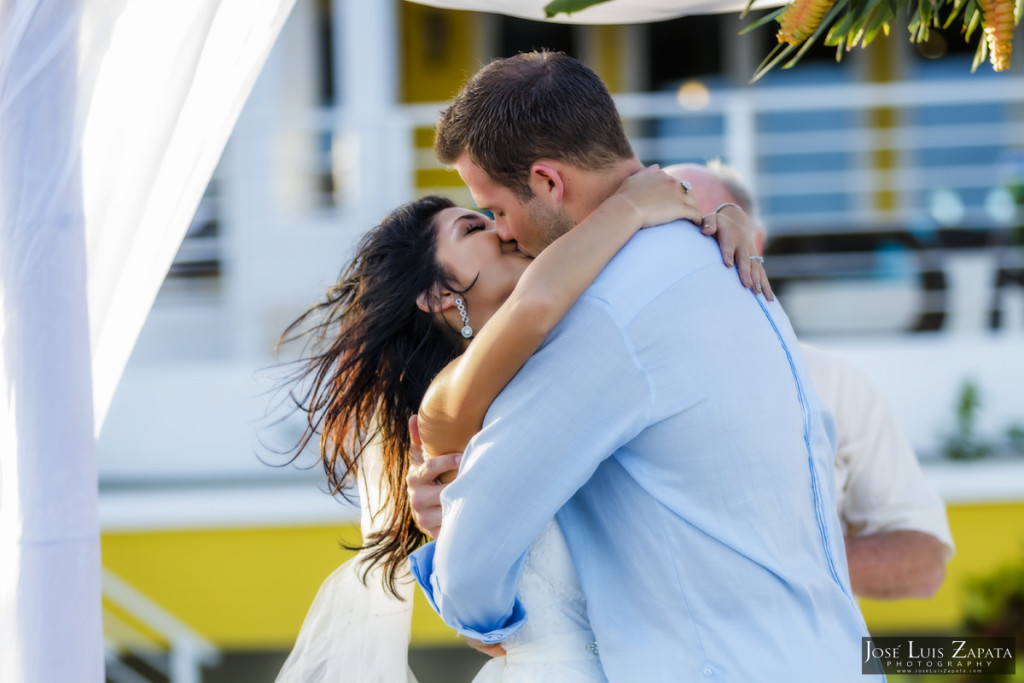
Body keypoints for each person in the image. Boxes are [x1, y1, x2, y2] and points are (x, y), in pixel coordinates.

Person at [408, 51, 879, 682]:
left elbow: (471, 568)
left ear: (548, 181)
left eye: (495, 209)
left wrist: (481, 604)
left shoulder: (603, 314)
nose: (505, 231)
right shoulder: (724, 260)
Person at [274, 168, 767, 682]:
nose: (502, 230)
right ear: (438, 295)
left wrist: (721, 221)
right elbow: (489, 627)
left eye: (493, 218)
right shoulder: (446, 406)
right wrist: (629, 208)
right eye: (472, 229)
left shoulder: (572, 350)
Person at [660, 162, 955, 600]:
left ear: (753, 243)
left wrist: (781, 561)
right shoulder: (616, 380)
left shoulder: (834, 381)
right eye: (661, 239)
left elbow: (924, 558)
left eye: (708, 231)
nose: (683, 257)